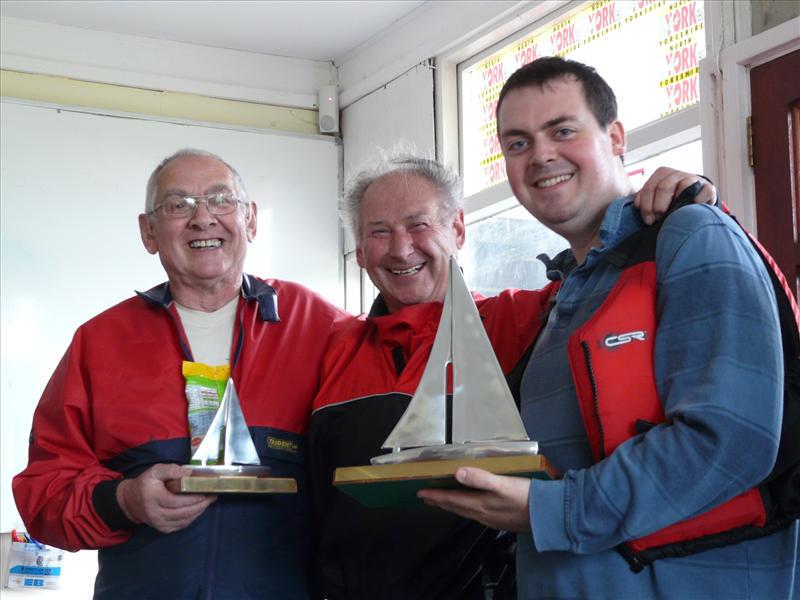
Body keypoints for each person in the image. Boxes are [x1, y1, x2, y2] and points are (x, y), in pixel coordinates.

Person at [418, 57, 798, 599]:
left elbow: (730, 442)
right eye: (517, 143)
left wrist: (553, 509)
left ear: (616, 137)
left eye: (563, 130)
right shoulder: (564, 294)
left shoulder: (693, 237)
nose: (541, 155)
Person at [309, 153, 719, 599]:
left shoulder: (530, 320)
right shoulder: (330, 348)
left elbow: (631, 276)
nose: (401, 248)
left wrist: (684, 202)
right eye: (380, 231)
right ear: (361, 251)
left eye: (418, 224)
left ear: (458, 230)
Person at [12, 149, 349, 600]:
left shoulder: (322, 327)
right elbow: (43, 496)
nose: (202, 218)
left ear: (250, 220)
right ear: (148, 231)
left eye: (220, 200)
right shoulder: (99, 343)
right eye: (178, 205)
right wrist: (125, 500)